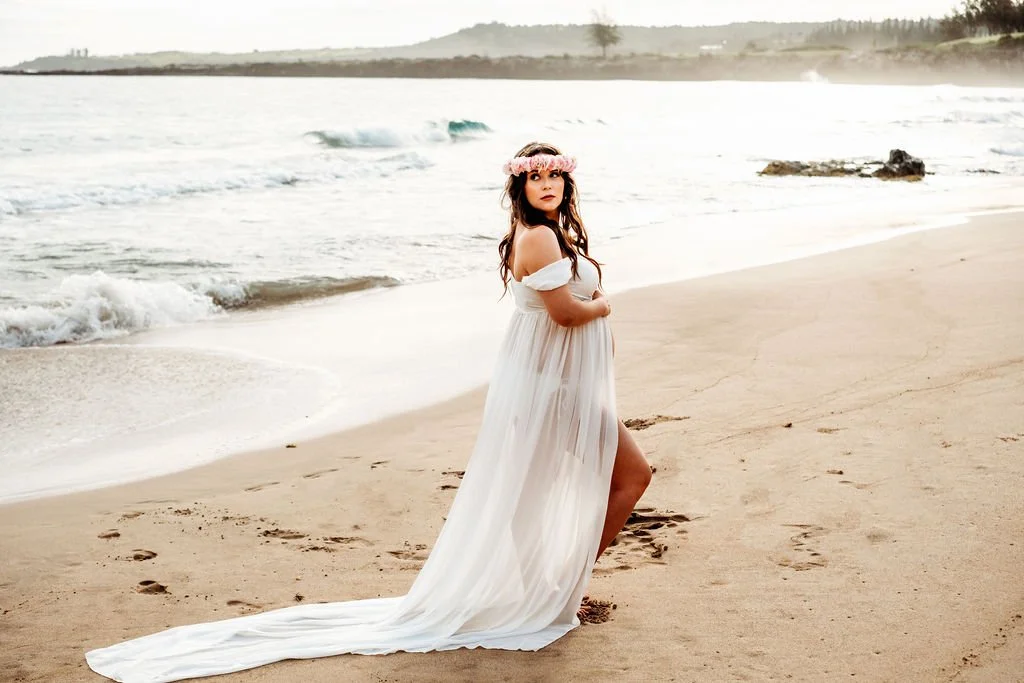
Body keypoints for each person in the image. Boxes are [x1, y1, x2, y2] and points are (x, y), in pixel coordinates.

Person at [85, 142, 652, 683]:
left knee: (564, 487)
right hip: (547, 388)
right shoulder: (537, 240)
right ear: (519, 185)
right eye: (535, 177)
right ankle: (555, 594)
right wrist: (605, 305)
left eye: (554, 176)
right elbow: (566, 316)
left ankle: (555, 591)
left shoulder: (552, 235)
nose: (547, 184)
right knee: (605, 480)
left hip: (553, 385)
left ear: (566, 181)